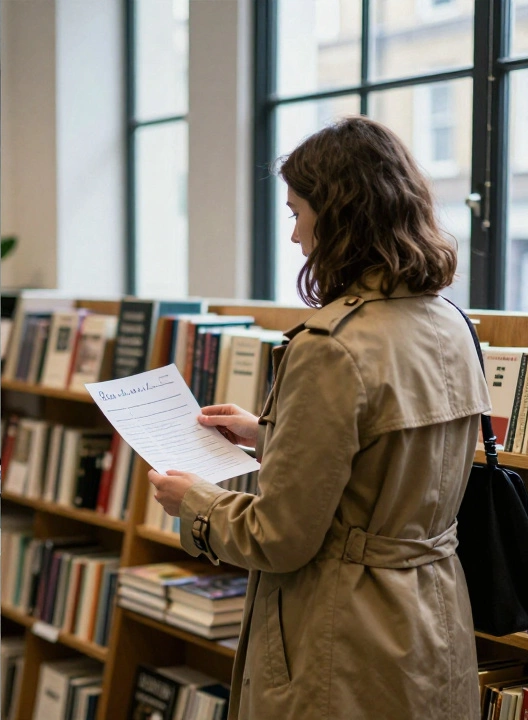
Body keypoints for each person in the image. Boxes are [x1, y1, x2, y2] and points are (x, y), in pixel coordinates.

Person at [146, 117, 490, 720]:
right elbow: (391, 454)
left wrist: (194, 502)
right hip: (433, 616)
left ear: (339, 216)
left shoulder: (331, 345)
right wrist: (270, 432)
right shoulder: (450, 323)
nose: (296, 235)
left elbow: (278, 537)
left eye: (298, 212)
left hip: (346, 636)